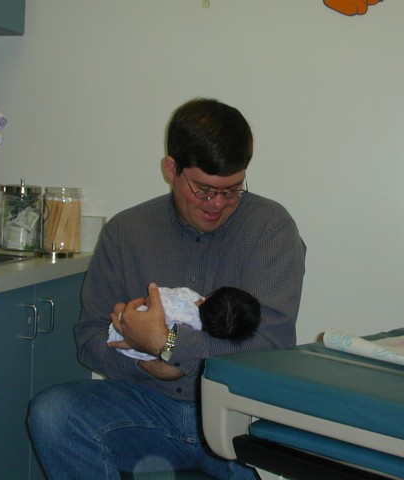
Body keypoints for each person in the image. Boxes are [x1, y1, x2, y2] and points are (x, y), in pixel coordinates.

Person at [27, 98, 307, 479]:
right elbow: (90, 336)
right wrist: (152, 367)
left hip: (233, 415)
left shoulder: (270, 228)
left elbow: (270, 346)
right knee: (52, 412)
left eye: (233, 190)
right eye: (204, 190)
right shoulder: (126, 232)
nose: (219, 204)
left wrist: (169, 345)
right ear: (171, 168)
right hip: (148, 405)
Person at [108, 286, 262, 360]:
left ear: (210, 296)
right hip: (138, 354)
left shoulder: (187, 295)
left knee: (119, 307)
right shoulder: (193, 333)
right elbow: (167, 350)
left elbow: (152, 297)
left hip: (124, 328)